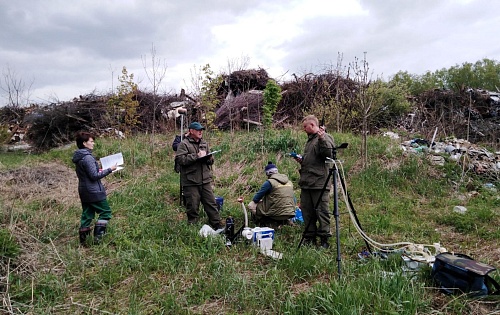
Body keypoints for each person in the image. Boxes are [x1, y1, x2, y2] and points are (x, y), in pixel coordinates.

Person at [294, 115, 335, 248]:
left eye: (305, 127)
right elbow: (314, 159)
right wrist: (302, 160)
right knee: (307, 211)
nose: (304, 129)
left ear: (312, 125)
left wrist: (322, 138)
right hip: (306, 183)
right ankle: (309, 237)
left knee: (322, 211)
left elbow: (329, 154)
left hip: (319, 184)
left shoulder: (324, 137)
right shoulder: (310, 141)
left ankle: (324, 239)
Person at [174, 122, 223, 230]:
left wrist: (209, 158)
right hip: (190, 181)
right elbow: (181, 160)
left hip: (205, 179)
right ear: (191, 131)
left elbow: (211, 161)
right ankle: (193, 228)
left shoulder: (204, 143)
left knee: (211, 204)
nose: (201, 132)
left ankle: (217, 225)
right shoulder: (184, 144)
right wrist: (196, 156)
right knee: (192, 206)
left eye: (201, 130)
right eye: (198, 130)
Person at [72, 131, 117, 246]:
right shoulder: (87, 158)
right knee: (106, 212)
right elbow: (94, 176)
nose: (93, 143)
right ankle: (98, 239)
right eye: (91, 141)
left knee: (87, 215)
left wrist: (100, 170)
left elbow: (89, 173)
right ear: (84, 143)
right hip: (94, 192)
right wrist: (109, 169)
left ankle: (84, 242)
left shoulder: (79, 157)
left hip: (84, 191)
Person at [247, 162, 296, 227]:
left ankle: (267, 221)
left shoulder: (269, 182)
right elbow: (294, 199)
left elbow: (256, 199)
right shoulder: (289, 182)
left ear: (267, 173)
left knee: (251, 205)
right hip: (290, 213)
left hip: (276, 214)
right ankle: (285, 221)